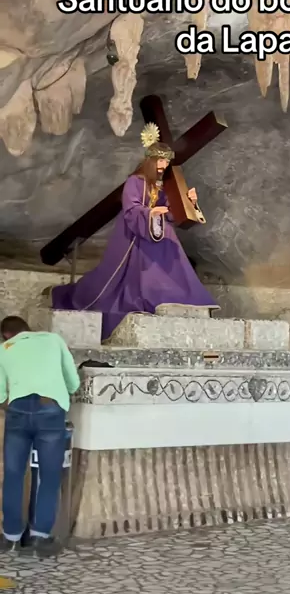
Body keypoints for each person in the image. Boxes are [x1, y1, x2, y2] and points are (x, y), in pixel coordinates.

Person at [51, 124, 218, 340]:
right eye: (160, 161)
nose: (164, 165)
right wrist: (151, 212)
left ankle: (176, 296)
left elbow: (172, 214)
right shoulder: (135, 181)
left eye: (166, 162)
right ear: (150, 161)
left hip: (159, 231)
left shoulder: (164, 186)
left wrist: (190, 202)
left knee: (173, 252)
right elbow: (131, 208)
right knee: (124, 275)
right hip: (137, 233)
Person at [0, 316, 80, 557]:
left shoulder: (4, 348)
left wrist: (15, 405)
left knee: (13, 475)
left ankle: (10, 536)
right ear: (28, 329)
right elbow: (73, 382)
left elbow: (0, 394)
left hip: (17, 411)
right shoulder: (54, 340)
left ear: (6, 335)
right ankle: (39, 537)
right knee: (49, 475)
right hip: (50, 410)